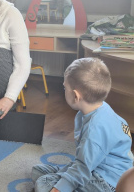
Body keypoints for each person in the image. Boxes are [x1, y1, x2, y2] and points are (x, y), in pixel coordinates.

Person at [31, 58, 133, 192]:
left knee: (43, 182)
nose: (63, 89)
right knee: (37, 170)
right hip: (99, 168)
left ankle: (64, 180)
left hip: (107, 183)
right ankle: (65, 178)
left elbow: (83, 167)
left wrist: (58, 189)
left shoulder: (95, 129)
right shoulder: (100, 109)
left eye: (64, 87)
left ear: (75, 96)